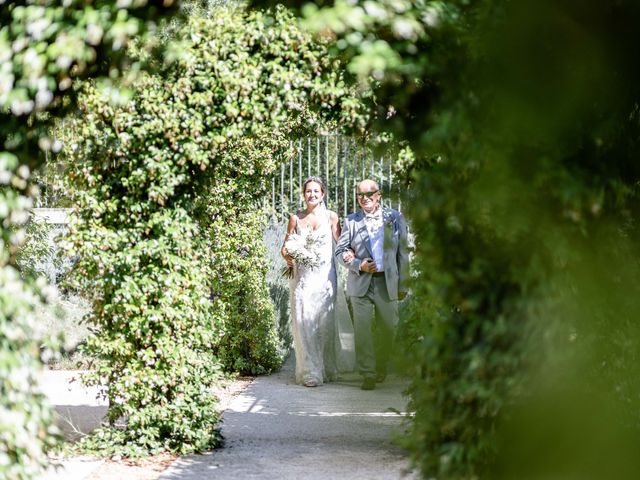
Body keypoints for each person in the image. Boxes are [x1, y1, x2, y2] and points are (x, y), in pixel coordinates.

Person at [335, 179, 409, 390]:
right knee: (363, 331)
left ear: (379, 195)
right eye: (360, 195)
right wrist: (359, 265)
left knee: (389, 328)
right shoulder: (351, 221)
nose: (364, 199)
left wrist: (403, 284)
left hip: (387, 283)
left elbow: (403, 253)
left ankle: (382, 366)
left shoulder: (394, 218)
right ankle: (368, 373)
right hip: (361, 284)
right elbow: (340, 252)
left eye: (369, 195)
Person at [281, 176, 341, 387]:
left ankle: (326, 367)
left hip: (325, 279)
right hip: (303, 279)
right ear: (303, 194)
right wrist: (291, 256)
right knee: (304, 323)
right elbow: (285, 248)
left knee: (325, 325)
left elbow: (341, 245)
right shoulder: (295, 218)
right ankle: (310, 372)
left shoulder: (332, 217)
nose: (312, 195)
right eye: (308, 191)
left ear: (322, 194)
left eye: (316, 191)